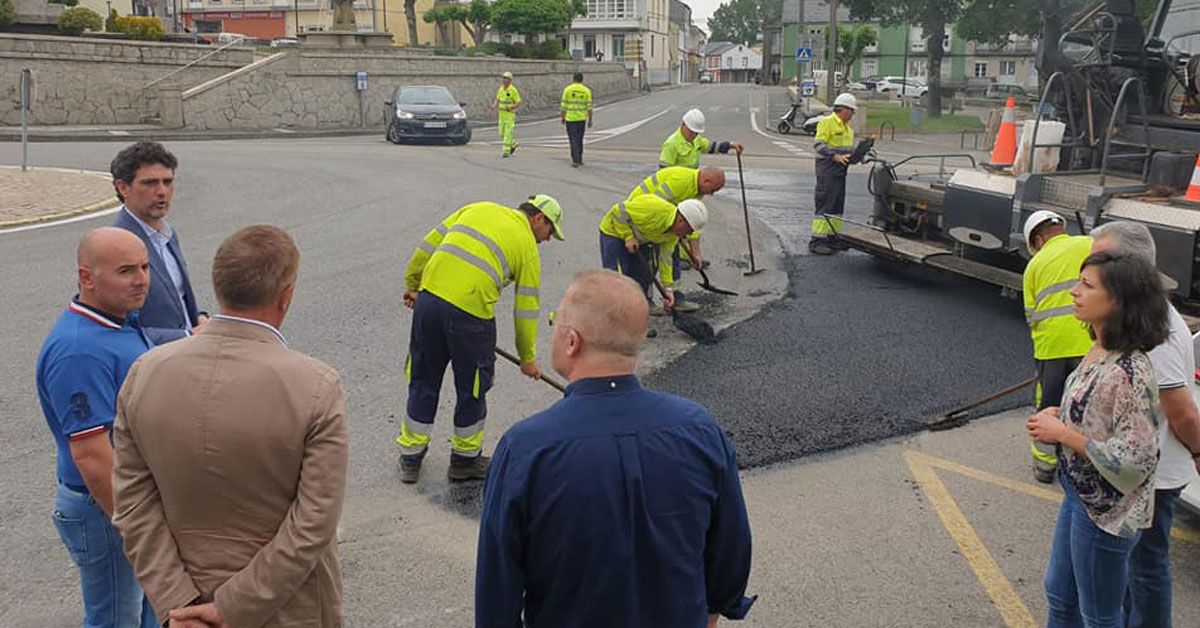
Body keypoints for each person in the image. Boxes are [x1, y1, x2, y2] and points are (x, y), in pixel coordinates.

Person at [475, 269, 755, 628]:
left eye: (554, 323)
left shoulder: (526, 448)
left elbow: (498, 583)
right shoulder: (698, 429)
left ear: (572, 341)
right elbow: (731, 543)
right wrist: (714, 608)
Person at [112, 225, 348, 628]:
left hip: (184, 604)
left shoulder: (146, 372)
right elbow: (314, 523)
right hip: (287, 605)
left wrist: (177, 600)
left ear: (219, 286)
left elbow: (133, 504)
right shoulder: (316, 386)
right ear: (286, 296)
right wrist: (233, 605)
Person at [1027, 251, 1168, 628]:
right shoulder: (1100, 347)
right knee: (1059, 593)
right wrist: (1062, 416)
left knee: (1099, 615)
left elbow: (1137, 460)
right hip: (1081, 496)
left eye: (1087, 286)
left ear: (1118, 302)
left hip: (1107, 513)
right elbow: (1100, 416)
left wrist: (1064, 434)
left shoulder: (1128, 372)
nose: (1073, 292)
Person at [36, 227, 156, 628]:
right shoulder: (79, 350)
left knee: (149, 615)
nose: (141, 279)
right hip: (105, 509)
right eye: (126, 270)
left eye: (144, 266)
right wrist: (136, 528)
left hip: (126, 501)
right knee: (115, 621)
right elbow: (91, 454)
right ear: (87, 278)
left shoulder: (117, 322)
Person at [397, 195, 565, 483]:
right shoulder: (527, 247)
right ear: (538, 219)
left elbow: (427, 246)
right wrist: (527, 359)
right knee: (472, 387)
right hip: (471, 316)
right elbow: (525, 308)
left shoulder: (478, 207)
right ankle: (464, 461)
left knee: (423, 377)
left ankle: (410, 457)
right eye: (550, 232)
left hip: (429, 303)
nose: (547, 240)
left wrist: (414, 285)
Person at [1090, 222, 1200, 628]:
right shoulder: (1137, 314)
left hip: (1154, 475)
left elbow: (1182, 411)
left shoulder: (1160, 333)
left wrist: (1199, 453)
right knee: (1133, 564)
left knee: (1146, 566)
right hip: (1135, 469)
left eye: (1101, 259)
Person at [109, 141, 208, 344]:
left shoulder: (167, 233)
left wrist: (199, 318)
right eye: (150, 183)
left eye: (168, 181)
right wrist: (187, 335)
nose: (162, 191)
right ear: (123, 187)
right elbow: (117, 329)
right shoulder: (116, 245)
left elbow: (176, 297)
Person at [1022, 211, 1095, 483]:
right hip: (1089, 343)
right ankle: (1083, 461)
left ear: (1038, 240)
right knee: (1087, 404)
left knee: (1047, 405)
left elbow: (1030, 315)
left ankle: (1044, 465)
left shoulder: (1034, 266)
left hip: (1050, 348)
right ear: (1062, 228)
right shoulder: (1089, 245)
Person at [625, 165, 727, 312]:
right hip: (645, 215)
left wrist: (695, 253)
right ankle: (646, 301)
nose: (712, 194)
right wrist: (673, 225)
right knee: (651, 260)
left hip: (672, 219)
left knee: (673, 255)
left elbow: (693, 224)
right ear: (706, 181)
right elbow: (655, 203)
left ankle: (676, 296)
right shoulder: (680, 182)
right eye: (713, 190)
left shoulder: (697, 190)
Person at [599, 194, 707, 314]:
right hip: (614, 232)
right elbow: (618, 211)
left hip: (641, 237)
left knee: (643, 275)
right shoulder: (654, 210)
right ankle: (614, 317)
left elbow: (665, 260)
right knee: (618, 277)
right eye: (689, 230)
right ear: (681, 221)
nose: (687, 236)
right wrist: (628, 237)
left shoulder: (673, 235)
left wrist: (668, 289)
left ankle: (635, 313)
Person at [809, 93, 860, 255]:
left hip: (840, 172)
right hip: (827, 170)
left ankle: (833, 237)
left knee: (837, 205)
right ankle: (817, 240)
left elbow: (848, 151)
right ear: (843, 110)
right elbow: (818, 145)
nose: (853, 114)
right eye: (852, 111)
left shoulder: (848, 129)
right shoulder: (827, 122)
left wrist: (861, 155)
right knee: (825, 204)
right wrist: (835, 157)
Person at [659, 108, 744, 169]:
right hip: (677, 190)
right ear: (684, 125)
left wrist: (731, 145)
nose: (694, 135)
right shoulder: (671, 144)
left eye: (696, 133)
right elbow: (664, 173)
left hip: (690, 187)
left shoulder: (697, 140)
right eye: (691, 131)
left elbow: (711, 147)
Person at [560, 72, 593, 167]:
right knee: (579, 139)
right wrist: (590, 120)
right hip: (582, 119)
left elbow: (563, 106)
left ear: (573, 79)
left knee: (573, 139)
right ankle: (580, 158)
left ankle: (575, 160)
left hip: (570, 119)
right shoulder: (586, 91)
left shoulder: (567, 90)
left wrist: (563, 117)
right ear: (582, 80)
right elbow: (589, 108)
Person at [491, 71, 521, 158]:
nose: (504, 80)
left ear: (510, 80)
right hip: (502, 114)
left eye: (506, 78)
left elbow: (518, 102)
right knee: (501, 132)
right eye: (503, 78)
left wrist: (511, 107)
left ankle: (506, 151)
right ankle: (513, 144)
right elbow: (497, 99)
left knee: (508, 133)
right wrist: (493, 106)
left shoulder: (513, 90)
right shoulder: (501, 89)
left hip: (509, 114)